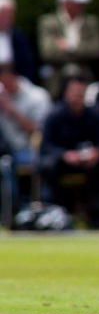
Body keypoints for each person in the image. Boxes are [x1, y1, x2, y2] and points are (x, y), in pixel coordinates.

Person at [40, 76, 99, 228]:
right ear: (66, 93)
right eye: (74, 93)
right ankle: (55, 212)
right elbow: (46, 146)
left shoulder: (94, 114)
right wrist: (64, 155)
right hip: (62, 162)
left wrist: (97, 152)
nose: (77, 98)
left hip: (88, 163)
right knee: (48, 165)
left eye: (81, 94)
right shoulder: (54, 115)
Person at [37, 0, 99, 99]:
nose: (81, 7)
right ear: (65, 2)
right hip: (57, 82)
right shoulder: (48, 22)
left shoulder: (91, 22)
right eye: (77, 3)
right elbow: (48, 52)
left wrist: (70, 47)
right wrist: (81, 52)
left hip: (85, 80)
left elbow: (97, 50)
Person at [0, 63, 52, 207]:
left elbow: (40, 130)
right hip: (6, 148)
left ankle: (19, 210)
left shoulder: (37, 96)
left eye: (6, 82)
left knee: (10, 164)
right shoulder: (2, 94)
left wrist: (11, 110)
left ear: (15, 77)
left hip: (31, 147)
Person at [0, 0, 36, 83]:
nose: (8, 18)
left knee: (40, 96)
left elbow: (28, 65)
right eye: (4, 14)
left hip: (16, 82)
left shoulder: (19, 37)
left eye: (11, 14)